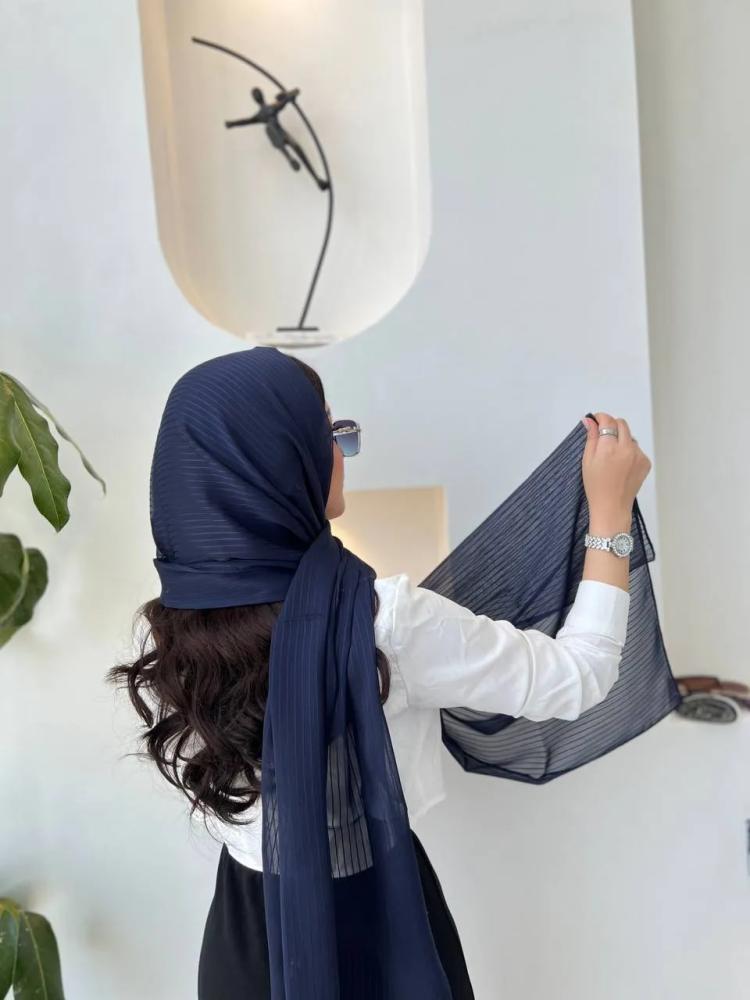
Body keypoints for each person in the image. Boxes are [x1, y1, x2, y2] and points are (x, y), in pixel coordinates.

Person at [109, 348, 652, 999]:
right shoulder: (384, 621)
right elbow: (579, 677)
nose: (342, 453)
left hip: (245, 939)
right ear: (285, 464)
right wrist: (611, 513)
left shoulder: (178, 620)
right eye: (329, 434)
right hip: (381, 924)